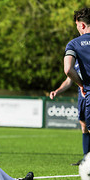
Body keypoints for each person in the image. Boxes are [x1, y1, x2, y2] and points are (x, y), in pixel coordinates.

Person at [50, 61, 89, 165]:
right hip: (82, 97)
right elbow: (68, 81)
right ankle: (86, 159)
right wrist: (57, 91)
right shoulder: (75, 63)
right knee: (84, 125)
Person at [64, 8, 90, 142]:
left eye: (77, 26)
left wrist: (81, 85)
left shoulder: (74, 44)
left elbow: (68, 69)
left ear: (82, 25)